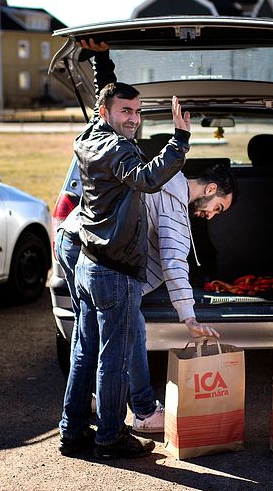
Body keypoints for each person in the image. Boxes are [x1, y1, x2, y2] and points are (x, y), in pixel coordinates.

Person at [57, 39, 191, 460]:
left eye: (137, 112)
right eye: (125, 113)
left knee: (84, 349)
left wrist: (101, 61)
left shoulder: (90, 134)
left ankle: (72, 430)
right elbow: (148, 178)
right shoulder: (117, 148)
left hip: (87, 263)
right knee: (111, 359)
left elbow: (107, 95)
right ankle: (111, 436)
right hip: (114, 271)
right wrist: (180, 140)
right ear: (106, 115)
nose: (133, 120)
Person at [128, 163, 237, 434]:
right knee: (131, 333)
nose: (211, 216)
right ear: (210, 189)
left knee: (89, 332)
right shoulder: (175, 205)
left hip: (78, 245)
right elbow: (174, 263)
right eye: (218, 207)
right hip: (107, 266)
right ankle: (144, 412)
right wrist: (188, 316)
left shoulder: (163, 177)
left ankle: (89, 401)